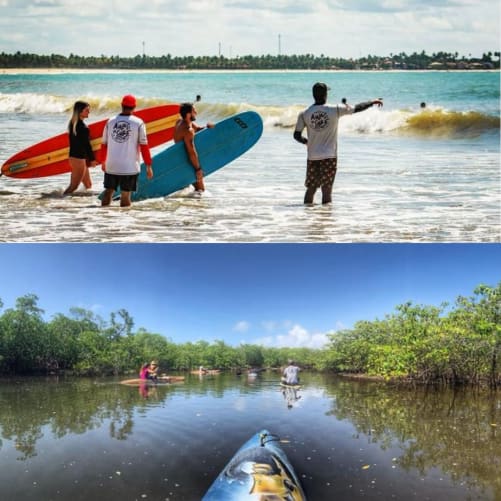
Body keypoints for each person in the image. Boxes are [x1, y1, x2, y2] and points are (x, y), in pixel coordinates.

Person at [294, 82, 383, 205]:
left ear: (313, 95)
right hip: (329, 156)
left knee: (311, 189)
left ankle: (308, 217)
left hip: (312, 156)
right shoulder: (335, 109)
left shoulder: (304, 113)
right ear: (325, 94)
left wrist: (307, 142)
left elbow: (296, 135)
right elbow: (357, 108)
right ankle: (325, 219)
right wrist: (372, 102)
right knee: (327, 190)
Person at [100, 94, 153, 207]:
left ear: (121, 105)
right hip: (129, 167)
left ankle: (103, 219)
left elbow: (104, 144)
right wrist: (148, 166)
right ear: (134, 107)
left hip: (111, 165)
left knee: (108, 192)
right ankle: (124, 222)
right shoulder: (139, 123)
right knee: (125, 195)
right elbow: (144, 146)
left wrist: (103, 161)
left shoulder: (110, 121)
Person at [173, 102, 214, 194]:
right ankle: (195, 207)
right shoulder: (188, 130)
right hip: (188, 163)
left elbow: (198, 129)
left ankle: (187, 207)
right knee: (200, 191)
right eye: (194, 111)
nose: (196, 113)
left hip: (180, 161)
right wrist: (198, 169)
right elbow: (191, 151)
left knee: (192, 190)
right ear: (188, 114)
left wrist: (207, 127)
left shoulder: (179, 122)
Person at [64, 101, 97, 195]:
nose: (89, 112)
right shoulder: (83, 127)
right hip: (78, 160)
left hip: (74, 157)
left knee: (88, 184)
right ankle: (58, 200)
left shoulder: (73, 124)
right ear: (80, 111)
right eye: (87, 110)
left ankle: (80, 201)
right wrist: (92, 159)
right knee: (73, 186)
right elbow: (87, 145)